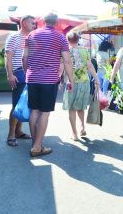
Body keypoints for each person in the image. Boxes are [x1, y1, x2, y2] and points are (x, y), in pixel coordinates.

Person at [23, 12, 74, 158]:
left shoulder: (31, 35)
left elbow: (24, 57)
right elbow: (67, 61)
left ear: (43, 21)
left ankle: (35, 142)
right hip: (49, 80)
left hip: (32, 78)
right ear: (56, 23)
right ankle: (37, 147)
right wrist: (71, 80)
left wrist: (28, 73)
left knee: (34, 111)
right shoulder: (60, 37)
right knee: (44, 113)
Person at [4, 15, 35, 147]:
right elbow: (8, 57)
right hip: (18, 73)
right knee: (16, 104)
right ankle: (11, 134)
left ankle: (19, 131)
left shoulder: (31, 38)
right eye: (32, 23)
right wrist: (10, 74)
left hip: (29, 73)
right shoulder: (14, 37)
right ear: (24, 23)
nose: (35, 25)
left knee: (24, 103)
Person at [63, 31, 100, 141]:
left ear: (68, 40)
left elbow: (61, 67)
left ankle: (74, 134)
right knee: (80, 107)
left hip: (71, 82)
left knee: (71, 109)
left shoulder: (66, 51)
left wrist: (57, 78)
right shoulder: (84, 51)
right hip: (84, 82)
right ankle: (82, 127)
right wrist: (96, 79)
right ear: (78, 40)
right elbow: (90, 66)